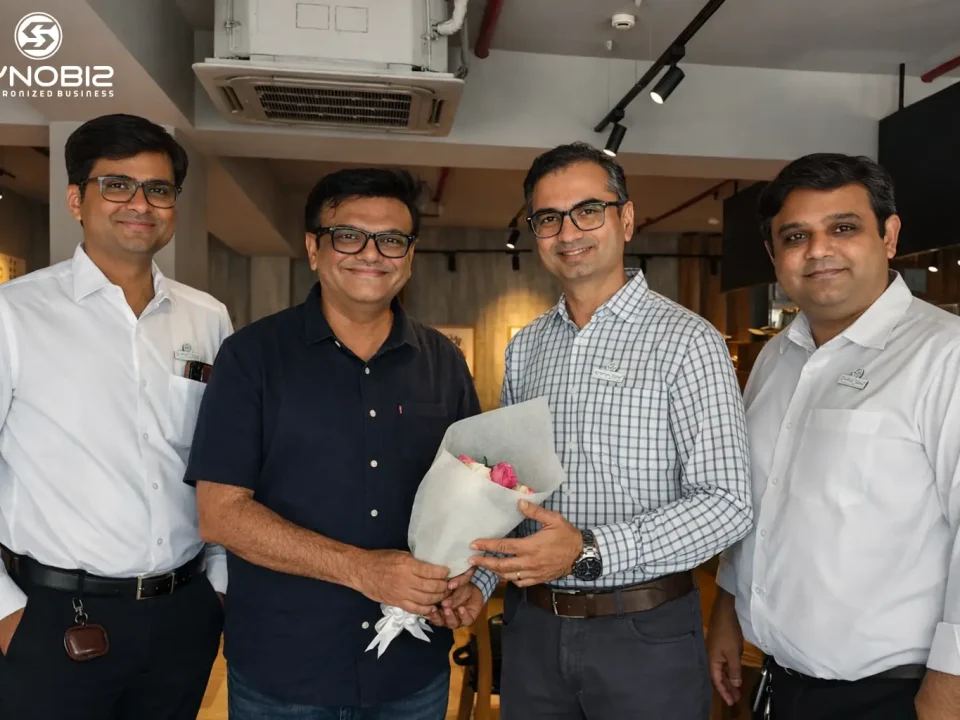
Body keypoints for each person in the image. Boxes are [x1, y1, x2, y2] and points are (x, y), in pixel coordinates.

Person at [466, 142, 753, 720]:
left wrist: (588, 550)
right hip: (532, 630)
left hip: (643, 633)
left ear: (625, 218)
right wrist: (477, 581)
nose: (568, 231)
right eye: (548, 218)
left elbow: (728, 504)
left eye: (588, 210)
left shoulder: (687, 340)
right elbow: (510, 490)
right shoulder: (527, 347)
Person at [185, 167, 483, 719]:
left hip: (411, 671)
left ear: (410, 255)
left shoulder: (444, 362)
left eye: (391, 239)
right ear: (313, 249)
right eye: (349, 235)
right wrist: (362, 570)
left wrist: (468, 582)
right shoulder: (252, 357)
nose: (372, 253)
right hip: (286, 671)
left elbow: (473, 497)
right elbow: (220, 514)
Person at [707, 153, 960, 720]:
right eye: (796, 236)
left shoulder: (945, 356)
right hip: (782, 681)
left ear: (888, 235)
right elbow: (760, 505)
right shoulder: (776, 358)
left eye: (843, 228)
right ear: (774, 255)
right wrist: (727, 607)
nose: (819, 250)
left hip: (901, 693)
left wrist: (951, 687)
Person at [0, 114, 230, 719]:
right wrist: (5, 612)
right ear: (77, 199)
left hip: (184, 612)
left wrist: (219, 586)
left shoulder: (207, 318)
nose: (140, 204)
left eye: (159, 189)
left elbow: (224, 460)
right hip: (54, 617)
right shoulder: (14, 313)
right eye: (117, 185)